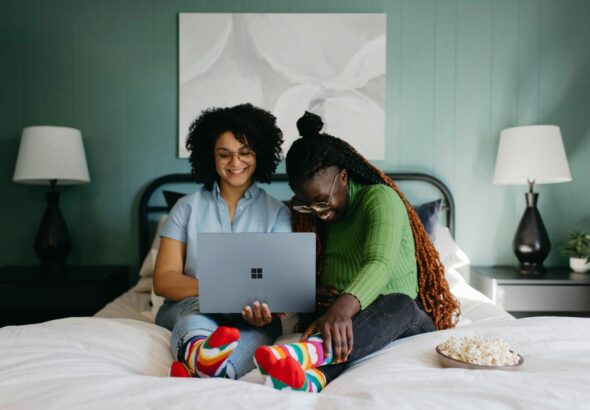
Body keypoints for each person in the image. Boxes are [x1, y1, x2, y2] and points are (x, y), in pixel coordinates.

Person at [253, 112, 460, 392]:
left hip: (404, 318)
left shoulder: (380, 199)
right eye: (306, 204)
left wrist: (340, 309)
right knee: (337, 322)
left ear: (343, 177)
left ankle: (306, 354)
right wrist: (314, 294)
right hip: (353, 319)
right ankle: (312, 380)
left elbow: (379, 263)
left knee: (398, 302)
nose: (319, 213)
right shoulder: (313, 218)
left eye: (322, 201)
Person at [154, 103, 291, 380]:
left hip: (251, 315)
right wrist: (218, 293)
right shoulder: (186, 208)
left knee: (261, 330)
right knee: (194, 314)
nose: (235, 163)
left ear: (259, 154)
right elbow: (164, 280)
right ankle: (205, 361)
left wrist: (262, 309)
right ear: (211, 156)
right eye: (224, 154)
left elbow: (280, 284)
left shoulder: (277, 212)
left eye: (245, 153)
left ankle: (204, 367)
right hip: (192, 304)